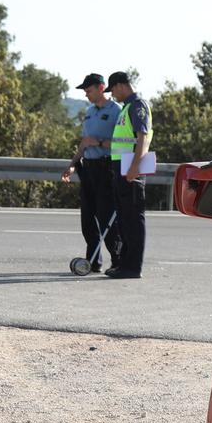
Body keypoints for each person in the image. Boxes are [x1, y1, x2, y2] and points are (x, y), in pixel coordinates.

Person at [59, 73, 123, 272]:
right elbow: (84, 142)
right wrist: (72, 164)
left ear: (101, 87)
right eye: (85, 91)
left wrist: (99, 142)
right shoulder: (89, 111)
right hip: (89, 168)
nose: (86, 94)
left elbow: (125, 143)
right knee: (87, 218)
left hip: (107, 168)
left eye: (89, 90)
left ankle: (119, 259)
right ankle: (93, 261)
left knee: (106, 217)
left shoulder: (117, 111)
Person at [105, 71, 153, 279]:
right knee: (124, 219)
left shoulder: (137, 105)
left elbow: (142, 137)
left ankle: (132, 267)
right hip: (122, 168)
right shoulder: (126, 108)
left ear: (121, 86)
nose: (113, 95)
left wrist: (135, 166)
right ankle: (124, 264)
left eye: (113, 90)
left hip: (131, 169)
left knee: (133, 219)